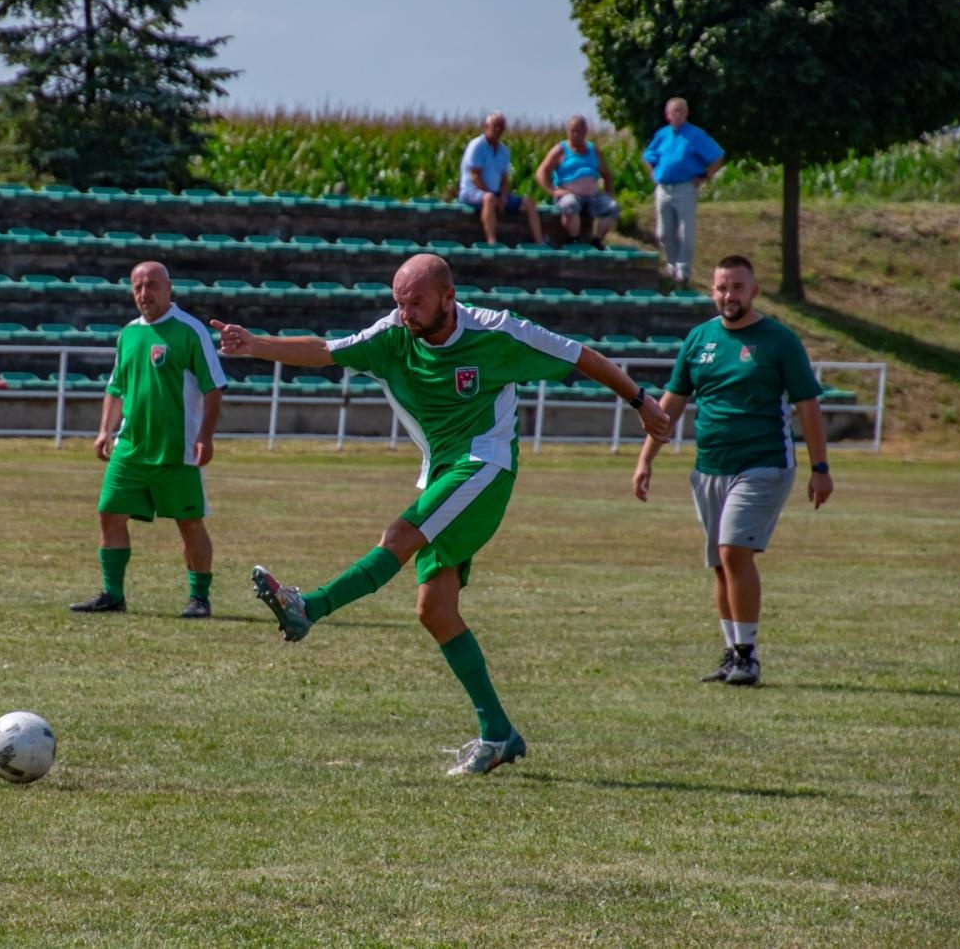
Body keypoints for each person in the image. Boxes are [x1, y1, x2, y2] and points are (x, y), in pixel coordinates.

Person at [212, 254, 670, 775]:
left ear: (449, 298)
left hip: (485, 464)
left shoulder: (498, 333)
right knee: (434, 611)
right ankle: (499, 735)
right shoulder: (392, 334)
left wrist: (640, 400)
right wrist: (254, 345)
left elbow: (579, 356)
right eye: (399, 301)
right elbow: (325, 350)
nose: (404, 312)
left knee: (400, 534)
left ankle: (309, 608)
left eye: (416, 302)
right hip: (441, 471)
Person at [632, 254, 831, 687]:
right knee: (720, 564)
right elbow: (670, 404)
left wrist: (821, 467)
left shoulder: (779, 340)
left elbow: (808, 406)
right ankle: (730, 653)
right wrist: (646, 459)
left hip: (763, 464)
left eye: (737, 287)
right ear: (712, 291)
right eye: (722, 287)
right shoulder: (698, 339)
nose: (729, 295)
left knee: (733, 552)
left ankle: (748, 657)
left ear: (754, 291)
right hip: (710, 468)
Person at [71, 261, 227, 619]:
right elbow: (116, 387)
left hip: (178, 449)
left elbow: (213, 387)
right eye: (138, 287)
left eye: (152, 285)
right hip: (131, 448)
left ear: (169, 288)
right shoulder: (128, 333)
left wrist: (205, 436)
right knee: (109, 514)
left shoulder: (190, 330)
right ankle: (112, 594)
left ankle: (199, 599)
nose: (145, 293)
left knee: (189, 524)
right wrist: (104, 431)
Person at [641, 97, 725, 284]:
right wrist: (653, 173)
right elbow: (648, 156)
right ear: (667, 114)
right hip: (664, 188)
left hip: (685, 187)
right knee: (663, 232)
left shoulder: (695, 134)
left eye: (681, 111)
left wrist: (705, 177)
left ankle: (683, 271)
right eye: (674, 111)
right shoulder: (662, 134)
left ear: (686, 113)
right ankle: (671, 265)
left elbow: (717, 156)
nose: (677, 114)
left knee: (685, 232)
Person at [458, 112, 546, 245]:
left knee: (529, 202)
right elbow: (475, 176)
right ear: (486, 126)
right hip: (472, 192)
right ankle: (492, 241)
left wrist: (503, 198)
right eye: (495, 126)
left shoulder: (504, 151)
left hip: (496, 193)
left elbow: (504, 179)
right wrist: (494, 196)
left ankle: (539, 241)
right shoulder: (477, 146)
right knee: (489, 199)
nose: (498, 130)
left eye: (501, 127)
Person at [534, 114, 620, 248]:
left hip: (593, 196)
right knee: (570, 204)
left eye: (580, 131)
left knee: (612, 207)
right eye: (573, 131)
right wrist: (553, 191)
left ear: (585, 131)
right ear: (568, 131)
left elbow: (606, 174)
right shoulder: (560, 150)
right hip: (569, 194)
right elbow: (541, 172)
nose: (577, 134)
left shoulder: (593, 150)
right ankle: (574, 239)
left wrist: (609, 193)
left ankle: (597, 240)